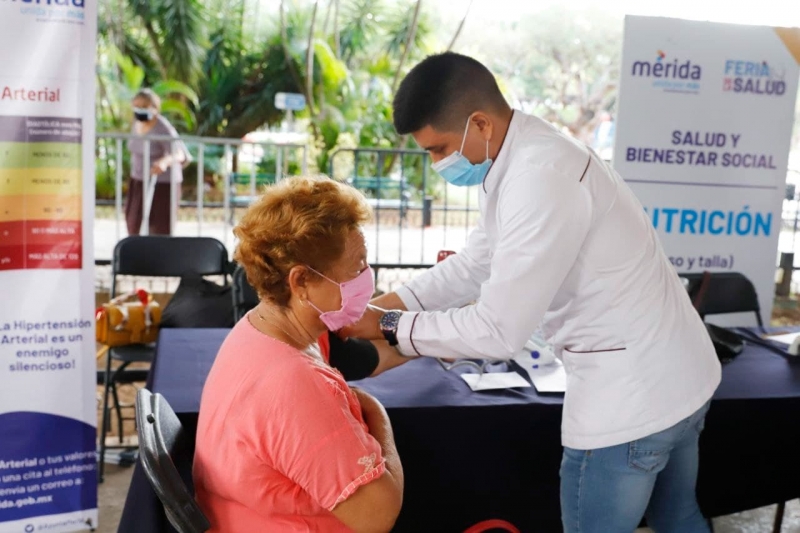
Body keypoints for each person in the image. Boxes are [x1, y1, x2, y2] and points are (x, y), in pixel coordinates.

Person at [343, 52, 721, 532]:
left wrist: (387, 325)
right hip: (680, 375)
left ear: (478, 123)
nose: (436, 163)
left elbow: (498, 330)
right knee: (678, 515)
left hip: (631, 399)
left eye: (438, 149)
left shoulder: (540, 177)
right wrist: (381, 307)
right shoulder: (520, 154)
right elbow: (475, 264)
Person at [193, 176, 404, 532]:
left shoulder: (257, 328)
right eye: (358, 265)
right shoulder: (295, 383)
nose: (366, 277)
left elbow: (372, 347)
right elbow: (377, 516)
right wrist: (378, 417)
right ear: (301, 281)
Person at [125, 88, 189, 236]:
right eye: (137, 106)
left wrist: (164, 162)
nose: (139, 110)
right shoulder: (136, 123)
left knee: (159, 227)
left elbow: (180, 153)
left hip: (162, 183)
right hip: (139, 180)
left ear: (154, 108)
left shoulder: (162, 128)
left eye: (144, 107)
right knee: (134, 223)